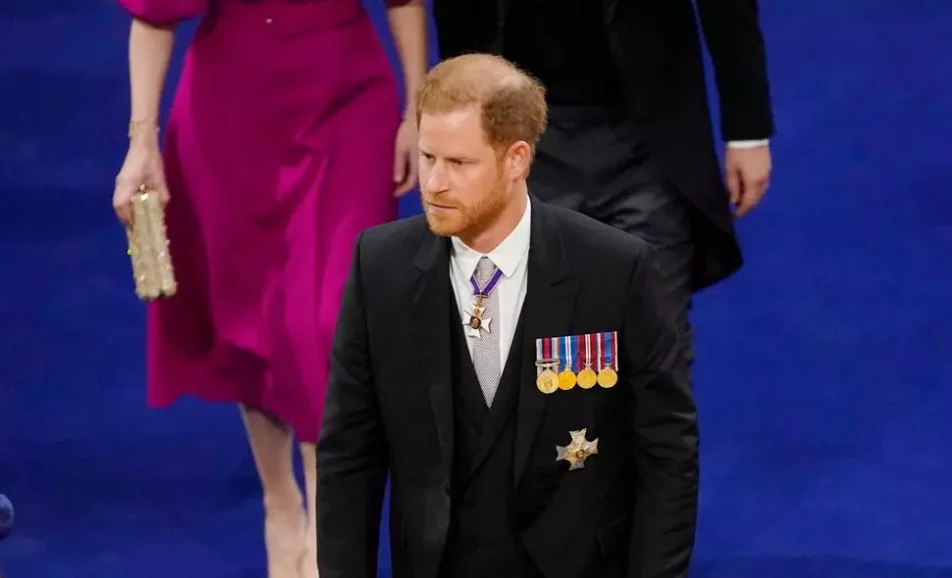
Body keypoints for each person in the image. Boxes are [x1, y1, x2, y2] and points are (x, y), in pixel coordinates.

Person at [316, 54, 699, 578]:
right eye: (428, 157)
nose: (434, 183)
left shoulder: (615, 269)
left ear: (516, 158)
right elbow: (348, 457)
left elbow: (666, 453)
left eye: (459, 163)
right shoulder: (378, 267)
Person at [109, 1, 427, 576]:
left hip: (347, 104)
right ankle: (280, 501)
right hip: (228, 114)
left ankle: (328, 529)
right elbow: (154, 13)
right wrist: (142, 141)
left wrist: (417, 108)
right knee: (249, 319)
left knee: (327, 319)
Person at [432, 0, 775, 349]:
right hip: (518, 140)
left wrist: (748, 132)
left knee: (655, 346)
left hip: (648, 139)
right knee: (532, 352)